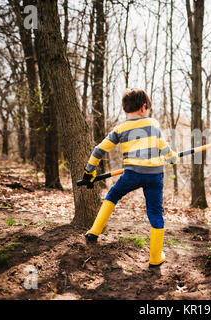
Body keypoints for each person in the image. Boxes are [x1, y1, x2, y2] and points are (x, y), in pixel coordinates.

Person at [81, 88, 178, 267]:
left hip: (132, 174)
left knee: (113, 195)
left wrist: (89, 171)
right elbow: (164, 148)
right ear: (143, 107)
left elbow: (99, 150)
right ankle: (155, 258)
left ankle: (94, 231)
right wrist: (172, 157)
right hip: (155, 175)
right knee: (155, 213)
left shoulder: (120, 128)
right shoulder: (153, 124)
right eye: (147, 108)